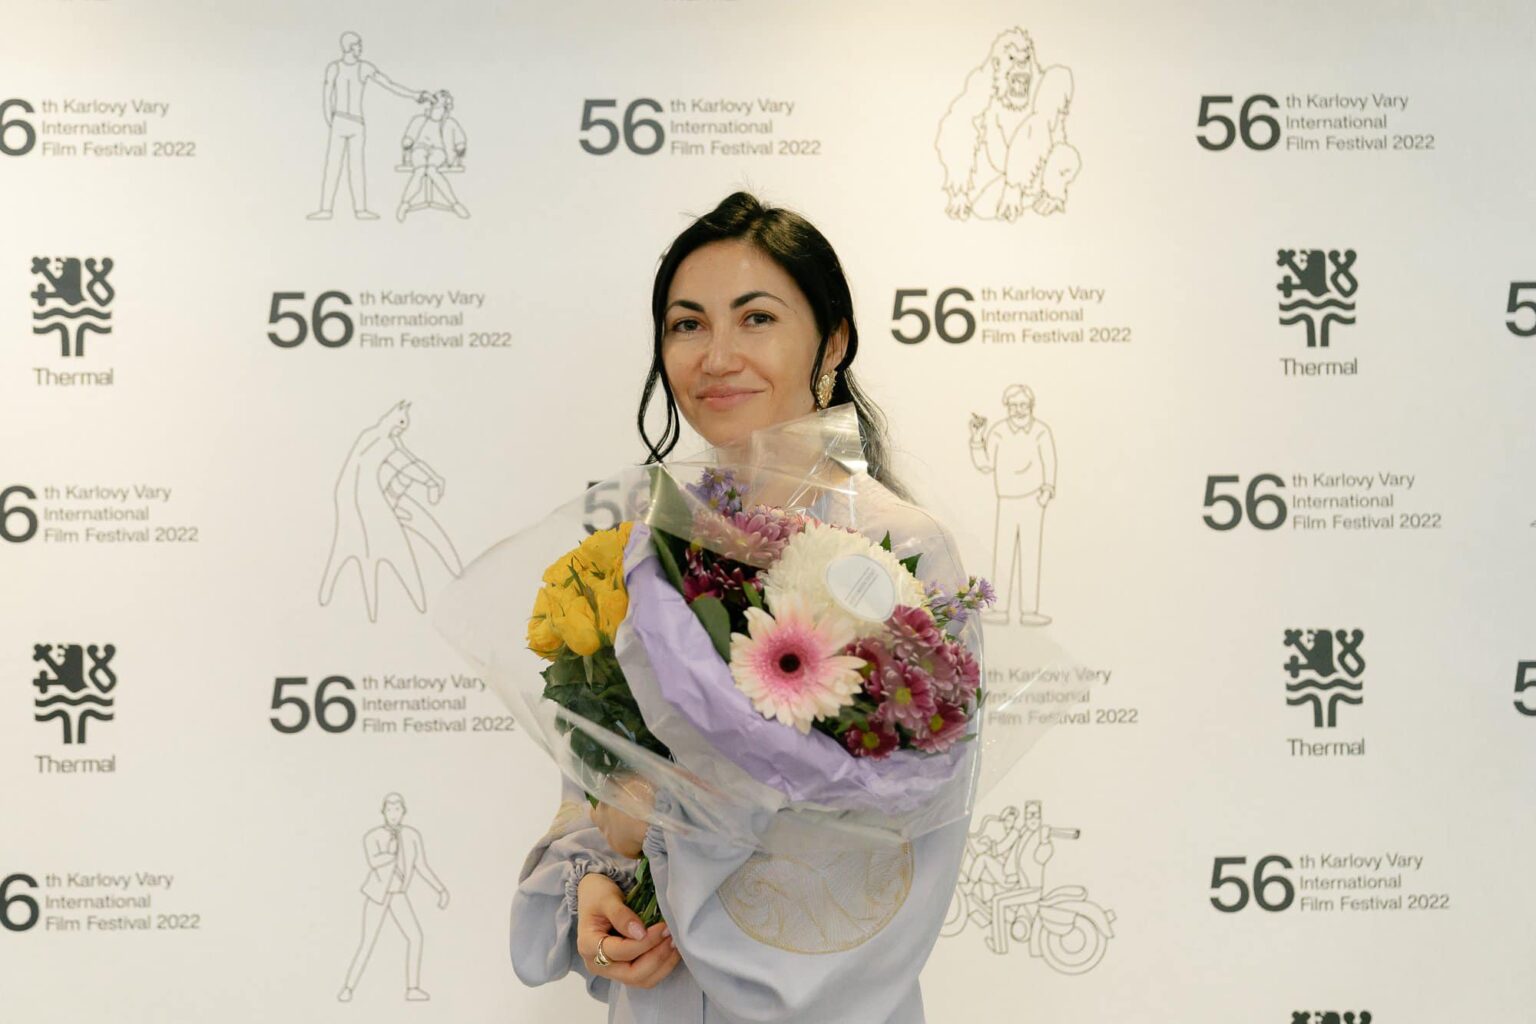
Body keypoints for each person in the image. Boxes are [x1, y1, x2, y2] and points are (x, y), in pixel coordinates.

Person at [509, 192, 976, 1022]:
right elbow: (593, 787)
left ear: (833, 341)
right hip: (659, 995)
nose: (717, 355)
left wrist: (661, 821)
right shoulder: (645, 551)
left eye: (756, 318)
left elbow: (904, 832)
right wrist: (594, 888)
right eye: (687, 325)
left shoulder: (899, 551)